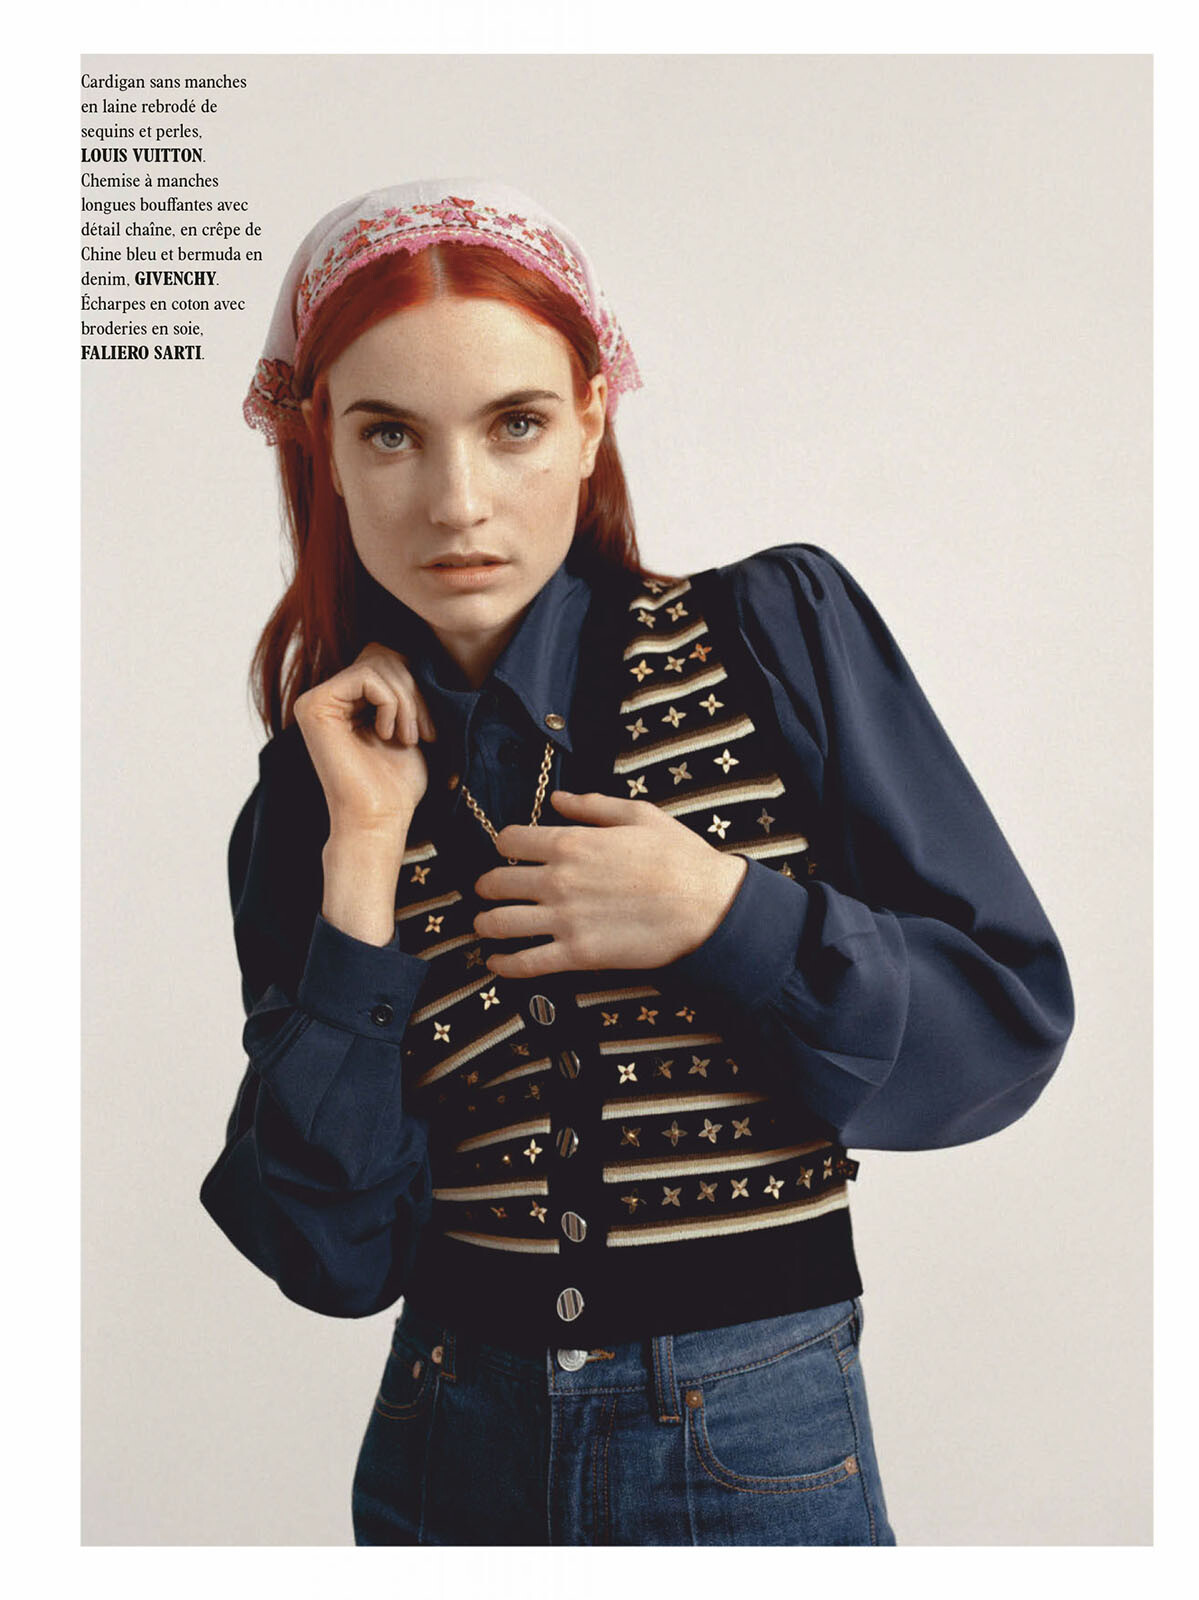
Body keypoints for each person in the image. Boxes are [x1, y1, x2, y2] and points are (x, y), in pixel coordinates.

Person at [200, 179, 1075, 1547]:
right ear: (325, 450)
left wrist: (724, 914)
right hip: (445, 1452)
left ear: (593, 416)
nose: (457, 502)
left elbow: (1003, 1031)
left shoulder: (770, 640)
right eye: (390, 434)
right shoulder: (316, 793)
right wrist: (363, 863)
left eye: (516, 423)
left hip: (751, 1436)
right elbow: (333, 1259)